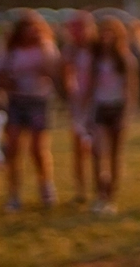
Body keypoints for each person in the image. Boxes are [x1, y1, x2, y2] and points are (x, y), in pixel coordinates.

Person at [0, 10, 62, 211]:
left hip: (39, 100)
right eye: (26, 28)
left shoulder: (46, 47)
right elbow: (0, 73)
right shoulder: (11, 49)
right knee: (13, 147)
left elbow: (54, 73)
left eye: (34, 28)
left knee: (38, 148)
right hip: (17, 100)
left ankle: (46, 187)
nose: (30, 32)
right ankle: (14, 193)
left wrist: (43, 48)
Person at [86, 17, 138, 215]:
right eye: (103, 32)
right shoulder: (96, 59)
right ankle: (100, 192)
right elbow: (91, 87)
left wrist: (126, 114)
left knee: (115, 155)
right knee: (99, 152)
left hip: (117, 108)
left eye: (111, 33)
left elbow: (130, 88)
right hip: (100, 107)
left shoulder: (124, 59)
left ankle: (111, 196)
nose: (106, 37)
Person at [62, 11, 97, 204]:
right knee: (79, 148)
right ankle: (81, 189)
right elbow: (67, 74)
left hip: (95, 101)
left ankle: (98, 185)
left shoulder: (96, 49)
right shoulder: (71, 50)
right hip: (78, 103)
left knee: (96, 146)